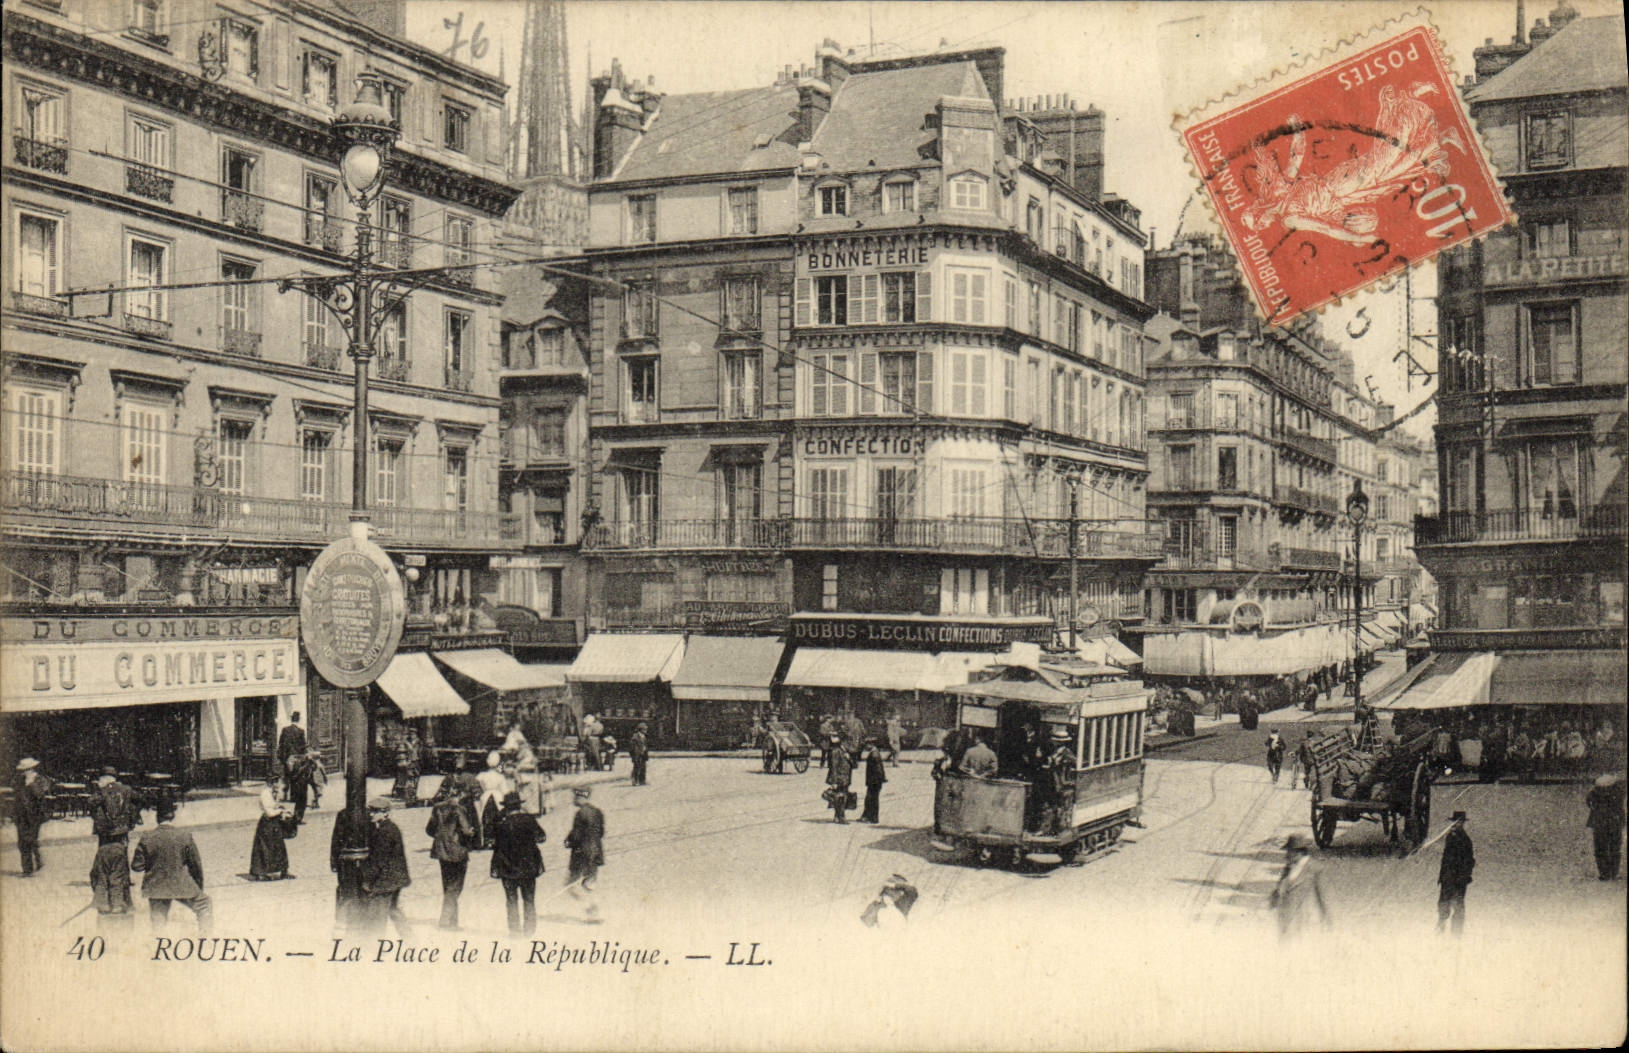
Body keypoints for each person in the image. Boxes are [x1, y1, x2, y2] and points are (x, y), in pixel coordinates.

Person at [130, 801, 211, 933]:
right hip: (181, 884)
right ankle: (206, 937)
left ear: (157, 818)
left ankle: (159, 942)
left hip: (156, 886)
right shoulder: (184, 836)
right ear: (173, 816)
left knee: (158, 922)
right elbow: (195, 865)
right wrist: (198, 887)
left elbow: (137, 866)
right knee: (204, 905)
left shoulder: (146, 837)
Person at [490, 791, 546, 936]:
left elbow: (493, 843)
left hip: (507, 867)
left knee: (511, 899)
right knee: (529, 899)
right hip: (528, 866)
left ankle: (514, 930)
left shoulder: (501, 824)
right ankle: (529, 930)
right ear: (519, 806)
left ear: (506, 808)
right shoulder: (529, 820)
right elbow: (541, 837)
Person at [88, 766, 137, 925]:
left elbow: (90, 803)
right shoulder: (126, 789)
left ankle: (105, 901)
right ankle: (123, 901)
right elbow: (139, 801)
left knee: (103, 866)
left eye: (100, 778)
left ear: (105, 778)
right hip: (122, 832)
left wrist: (100, 790)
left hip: (105, 834)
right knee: (121, 866)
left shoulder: (101, 791)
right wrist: (130, 822)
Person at [361, 797, 412, 936]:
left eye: (375, 811)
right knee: (393, 910)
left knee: (378, 916)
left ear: (385, 813)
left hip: (385, 880)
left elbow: (379, 860)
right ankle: (410, 940)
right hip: (395, 878)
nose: (371, 814)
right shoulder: (389, 828)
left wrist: (368, 881)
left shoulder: (385, 832)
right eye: (371, 811)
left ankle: (375, 944)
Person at [426, 791, 474, 929]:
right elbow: (466, 830)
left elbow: (429, 830)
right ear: (460, 795)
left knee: (447, 886)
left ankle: (453, 922)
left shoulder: (437, 808)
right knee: (455, 887)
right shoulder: (459, 809)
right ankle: (445, 920)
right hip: (457, 851)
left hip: (441, 851)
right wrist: (472, 832)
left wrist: (442, 837)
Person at [1268, 833, 1330, 940]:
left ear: (1299, 852)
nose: (1286, 855)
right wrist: (1274, 900)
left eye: (1289, 851)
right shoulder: (1289, 867)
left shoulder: (1315, 868)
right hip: (1286, 920)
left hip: (1305, 920)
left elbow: (1324, 896)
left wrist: (1327, 918)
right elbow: (1280, 888)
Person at [564, 787, 605, 921]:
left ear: (581, 798)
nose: (573, 800)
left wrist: (568, 841)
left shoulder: (580, 814)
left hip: (581, 853)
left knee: (571, 885)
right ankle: (594, 912)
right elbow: (601, 832)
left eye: (575, 797)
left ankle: (590, 909)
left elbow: (576, 835)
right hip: (595, 852)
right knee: (589, 883)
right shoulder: (597, 812)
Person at [330, 802, 371, 930]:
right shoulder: (345, 814)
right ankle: (342, 919)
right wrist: (334, 860)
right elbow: (337, 839)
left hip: (357, 858)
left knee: (358, 889)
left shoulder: (367, 814)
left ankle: (356, 918)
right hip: (347, 859)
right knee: (346, 889)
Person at [249, 775, 294, 881]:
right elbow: (269, 812)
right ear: (271, 783)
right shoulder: (265, 794)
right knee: (264, 848)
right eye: (277, 782)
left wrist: (283, 810)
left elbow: (275, 806)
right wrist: (280, 811)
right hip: (267, 824)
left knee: (279, 847)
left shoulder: (274, 793)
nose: (279, 785)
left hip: (274, 823)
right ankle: (260, 872)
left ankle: (283, 870)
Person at [1437, 810, 1474, 936]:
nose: (1455, 825)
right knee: (1443, 906)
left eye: (1458, 822)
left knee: (1457, 907)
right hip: (1448, 878)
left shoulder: (1464, 840)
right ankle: (1440, 932)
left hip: (1457, 879)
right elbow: (1445, 860)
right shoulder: (1450, 837)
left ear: (1462, 823)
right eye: (1454, 822)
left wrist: (1463, 876)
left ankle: (1456, 935)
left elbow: (1469, 861)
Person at [13, 758, 50, 877]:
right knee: (22, 842)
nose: (24, 772)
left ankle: (38, 860)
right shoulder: (20, 780)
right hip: (21, 815)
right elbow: (16, 795)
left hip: (35, 815)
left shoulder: (41, 780)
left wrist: (31, 784)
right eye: (23, 770)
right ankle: (27, 869)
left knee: (31, 839)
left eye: (26, 770)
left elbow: (40, 794)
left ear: (32, 769)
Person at [1585, 775, 1626, 882]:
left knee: (1600, 849)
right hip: (1615, 823)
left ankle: (1604, 873)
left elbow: (1589, 802)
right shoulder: (1618, 793)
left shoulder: (1594, 794)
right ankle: (1614, 873)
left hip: (1599, 824)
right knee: (1615, 848)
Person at [475, 751, 507, 850]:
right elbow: (505, 790)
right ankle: (497, 840)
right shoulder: (500, 777)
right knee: (498, 819)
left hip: (485, 796)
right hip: (497, 797)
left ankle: (487, 840)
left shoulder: (481, 775)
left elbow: (478, 787)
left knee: (485, 818)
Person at [276, 713, 308, 800]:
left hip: (287, 757)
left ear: (291, 719)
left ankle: (284, 795)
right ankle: (293, 796)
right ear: (298, 719)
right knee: (295, 776)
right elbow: (303, 746)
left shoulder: (285, 730)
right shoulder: (301, 731)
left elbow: (281, 743)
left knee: (286, 776)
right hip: (296, 757)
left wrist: (282, 757)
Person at [825, 734, 854, 824]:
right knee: (840, 798)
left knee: (842, 797)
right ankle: (841, 817)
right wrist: (834, 781)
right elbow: (833, 767)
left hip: (845, 777)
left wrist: (849, 758)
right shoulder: (835, 751)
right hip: (839, 778)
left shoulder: (844, 751)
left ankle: (837, 816)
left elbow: (853, 765)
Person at [860, 739, 887, 823]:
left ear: (871, 744)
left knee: (873, 800)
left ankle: (873, 818)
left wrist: (877, 780)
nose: (866, 747)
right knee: (870, 799)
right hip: (874, 781)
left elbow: (878, 770)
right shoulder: (874, 753)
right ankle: (867, 816)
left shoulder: (874, 754)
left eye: (867, 745)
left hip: (874, 781)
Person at [629, 722, 650, 787]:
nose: (646, 731)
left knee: (643, 767)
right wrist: (635, 754)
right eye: (645, 729)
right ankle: (635, 781)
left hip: (643, 754)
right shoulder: (635, 737)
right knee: (636, 768)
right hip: (637, 754)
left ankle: (642, 781)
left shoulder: (644, 736)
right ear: (641, 729)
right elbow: (632, 747)